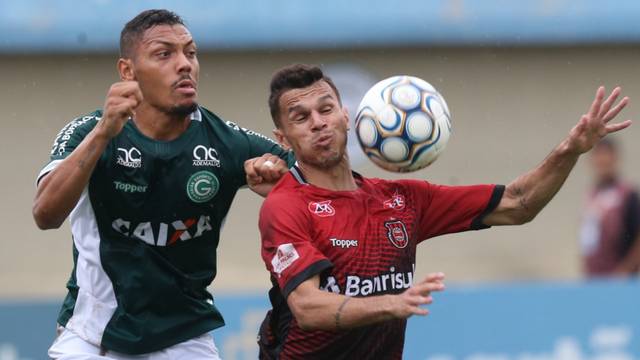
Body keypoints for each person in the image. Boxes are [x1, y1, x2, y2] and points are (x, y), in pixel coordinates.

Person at [255, 64, 631, 359]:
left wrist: (571, 148)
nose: (318, 122)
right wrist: (392, 303)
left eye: (326, 108)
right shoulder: (286, 206)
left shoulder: (400, 200)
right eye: (301, 117)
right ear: (283, 138)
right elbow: (308, 307)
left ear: (346, 116)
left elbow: (519, 204)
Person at [32, 9, 292, 359]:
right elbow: (45, 214)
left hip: (184, 336)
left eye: (191, 52)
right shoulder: (88, 131)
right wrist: (102, 135)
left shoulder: (225, 141)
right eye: (164, 54)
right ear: (128, 71)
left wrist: (282, 180)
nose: (184, 64)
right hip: (93, 335)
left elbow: (314, 180)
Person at [580, 138, 640, 277]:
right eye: (599, 157)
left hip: (619, 280)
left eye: (606, 157)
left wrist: (625, 271)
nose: (602, 162)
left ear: (615, 159)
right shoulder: (591, 195)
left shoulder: (627, 195)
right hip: (594, 277)